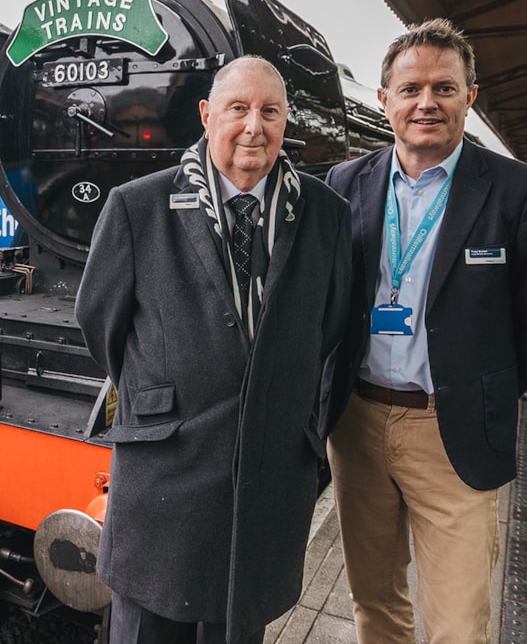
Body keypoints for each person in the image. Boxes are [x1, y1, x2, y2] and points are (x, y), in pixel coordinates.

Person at [320, 18, 527, 644]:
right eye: (410, 89)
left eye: (444, 87)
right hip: (357, 424)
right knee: (373, 602)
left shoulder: (522, 191)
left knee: (458, 624)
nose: (426, 102)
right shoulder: (344, 183)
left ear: (471, 95)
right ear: (384, 100)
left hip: (452, 427)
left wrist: (481, 386)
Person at [77, 56, 352, 644]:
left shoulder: (327, 214)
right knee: (148, 627)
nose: (254, 126)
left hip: (269, 471)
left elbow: (330, 328)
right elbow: (99, 321)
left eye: (270, 111)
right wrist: (159, 394)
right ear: (207, 116)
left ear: (286, 122)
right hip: (166, 470)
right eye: (238, 108)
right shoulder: (137, 207)